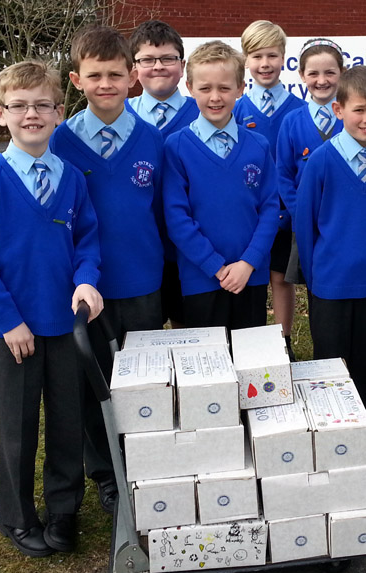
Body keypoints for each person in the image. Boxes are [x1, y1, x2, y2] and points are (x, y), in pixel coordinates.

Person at [0, 60, 103, 556]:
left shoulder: (71, 178)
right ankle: (18, 517)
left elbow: (87, 238)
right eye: (19, 106)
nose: (32, 114)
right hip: (13, 329)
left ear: (61, 112)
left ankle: (64, 511)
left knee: (67, 421)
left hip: (64, 323)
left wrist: (86, 281)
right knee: (17, 427)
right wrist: (9, 321)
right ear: (2, 114)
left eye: (43, 104)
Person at [50, 24, 165, 515]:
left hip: (142, 279)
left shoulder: (152, 140)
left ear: (132, 77)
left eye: (115, 74)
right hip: (87, 286)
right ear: (77, 80)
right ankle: (106, 474)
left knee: (141, 383)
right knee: (94, 381)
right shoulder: (59, 142)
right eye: (94, 75)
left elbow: (161, 210)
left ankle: (145, 462)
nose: (106, 84)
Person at [294, 65, 366, 489]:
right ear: (339, 109)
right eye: (360, 109)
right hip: (332, 286)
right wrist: (318, 276)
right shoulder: (321, 161)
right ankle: (331, 445)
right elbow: (306, 225)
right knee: (331, 368)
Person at [162, 40, 279, 330]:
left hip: (250, 275)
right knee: (209, 367)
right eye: (205, 88)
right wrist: (215, 266)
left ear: (241, 88)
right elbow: (177, 218)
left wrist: (248, 262)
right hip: (201, 277)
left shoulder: (258, 145)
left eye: (225, 88)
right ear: (189, 88)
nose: (215, 97)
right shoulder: (176, 147)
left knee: (249, 363)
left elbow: (270, 208)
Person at [233, 20, 305, 358]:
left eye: (272, 55)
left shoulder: (298, 110)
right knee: (248, 278)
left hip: (286, 210)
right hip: (248, 212)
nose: (265, 64)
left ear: (284, 58)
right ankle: (244, 344)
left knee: (280, 277)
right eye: (257, 55)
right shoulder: (236, 109)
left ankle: (282, 343)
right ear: (246, 60)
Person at [128, 19, 199, 331]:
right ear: (134, 69)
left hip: (190, 248)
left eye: (168, 58)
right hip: (140, 247)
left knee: (191, 331)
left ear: (182, 66)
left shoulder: (203, 114)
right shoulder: (121, 119)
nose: (158, 66)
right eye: (147, 59)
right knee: (144, 336)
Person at [276, 37, 345, 287]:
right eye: (313, 73)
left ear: (342, 73)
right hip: (306, 223)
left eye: (330, 72)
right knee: (315, 285)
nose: (322, 80)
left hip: (344, 222)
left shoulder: (352, 120)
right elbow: (283, 174)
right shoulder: (292, 121)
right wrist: (302, 213)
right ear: (302, 75)